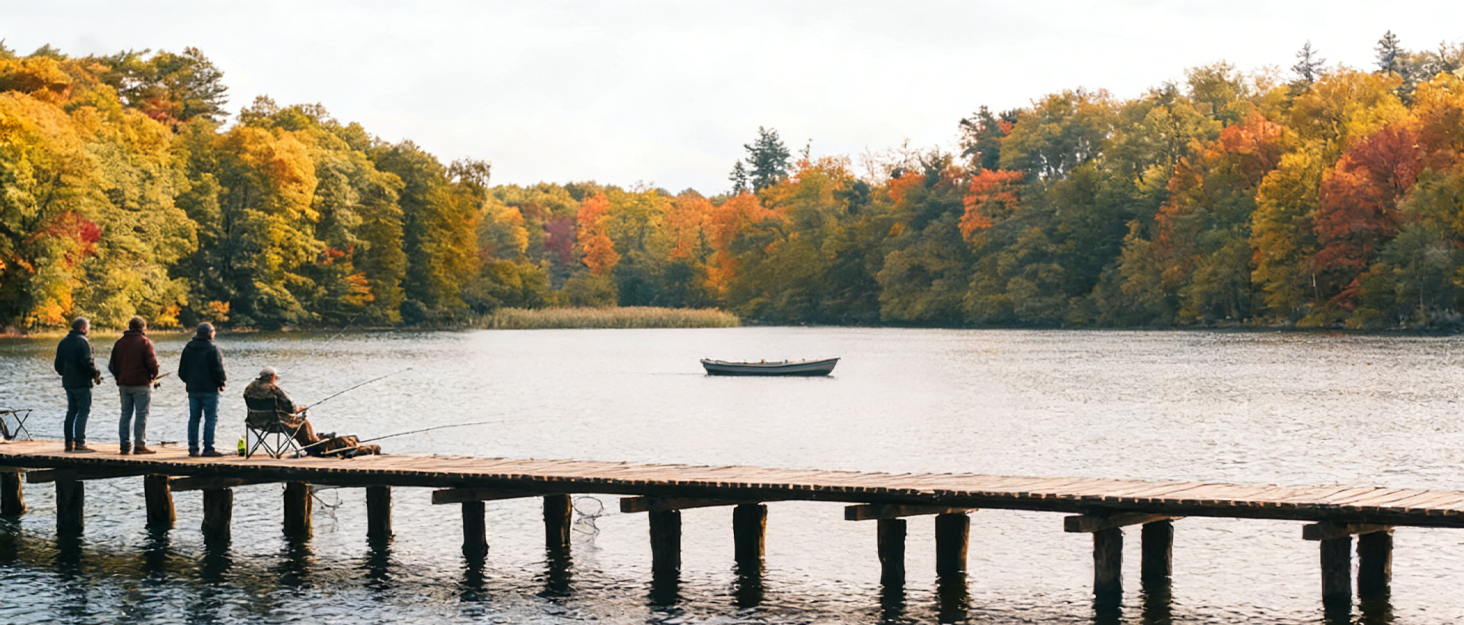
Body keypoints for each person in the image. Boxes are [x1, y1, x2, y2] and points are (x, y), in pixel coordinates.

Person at [108, 316, 160, 455]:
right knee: (141, 414)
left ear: (130, 327)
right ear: (142, 327)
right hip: (141, 384)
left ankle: (124, 445)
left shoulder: (119, 342)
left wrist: (119, 377)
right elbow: (153, 364)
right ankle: (139, 445)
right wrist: (153, 376)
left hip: (124, 384)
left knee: (125, 414)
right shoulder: (144, 342)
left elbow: (112, 365)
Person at [243, 367, 326, 449]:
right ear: (271, 377)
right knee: (303, 422)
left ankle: (310, 445)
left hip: (254, 421)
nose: (275, 379)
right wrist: (298, 410)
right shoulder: (273, 389)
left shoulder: (249, 388)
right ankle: (313, 445)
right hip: (274, 423)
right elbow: (289, 405)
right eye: (275, 377)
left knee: (295, 422)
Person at [53, 317, 102, 453]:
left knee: (71, 411)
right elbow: (88, 362)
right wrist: (96, 374)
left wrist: (65, 374)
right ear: (83, 328)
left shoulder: (64, 341)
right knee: (83, 411)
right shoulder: (83, 342)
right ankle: (80, 443)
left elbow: (58, 365)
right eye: (88, 327)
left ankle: (69, 442)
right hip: (82, 382)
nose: (88, 329)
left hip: (68, 382)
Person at [178, 322, 227, 457]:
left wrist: (189, 381)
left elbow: (182, 371)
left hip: (193, 389)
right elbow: (218, 369)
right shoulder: (212, 348)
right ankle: (208, 448)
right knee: (210, 419)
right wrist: (221, 382)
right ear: (209, 333)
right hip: (210, 389)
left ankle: (193, 447)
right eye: (213, 332)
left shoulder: (188, 347)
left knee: (194, 418)